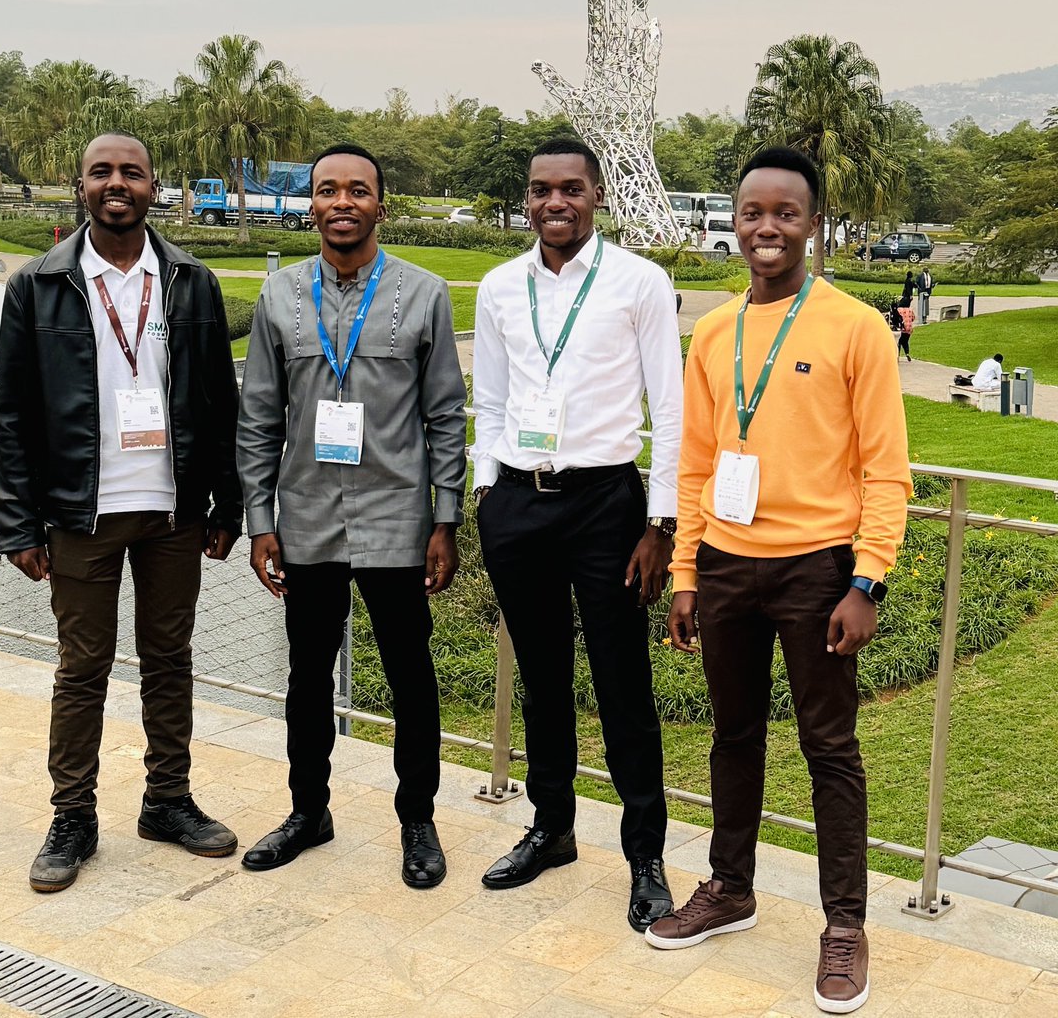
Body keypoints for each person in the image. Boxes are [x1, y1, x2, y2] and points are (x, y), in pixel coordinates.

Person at [650, 147, 910, 1016]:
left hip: (817, 569)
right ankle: (730, 888)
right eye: (751, 212)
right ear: (735, 222)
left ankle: (844, 925)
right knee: (733, 736)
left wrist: (866, 583)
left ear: (814, 225)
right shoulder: (717, 331)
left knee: (829, 748)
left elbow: (887, 471)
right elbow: (693, 464)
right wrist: (686, 571)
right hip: (726, 564)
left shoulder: (855, 326)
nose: (766, 228)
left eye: (785, 213)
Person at [0, 132, 243, 894]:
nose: (116, 183)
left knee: (170, 662)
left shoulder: (189, 280)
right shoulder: (37, 286)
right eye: (102, 172)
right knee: (82, 670)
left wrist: (226, 502)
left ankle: (167, 801)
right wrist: (16, 522)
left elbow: (217, 401)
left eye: (130, 172)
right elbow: (14, 413)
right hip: (80, 513)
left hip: (171, 509)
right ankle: (73, 817)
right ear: (80, 185)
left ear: (152, 186)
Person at [236, 143, 467, 890]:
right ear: (312, 205)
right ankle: (309, 812)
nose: (343, 202)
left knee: (409, 676)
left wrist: (446, 519)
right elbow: (260, 416)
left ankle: (417, 821)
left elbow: (444, 417)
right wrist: (259, 517)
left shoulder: (425, 293)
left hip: (397, 520)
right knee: (307, 675)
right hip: (306, 518)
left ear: (380, 204)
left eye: (358, 191)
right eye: (328, 190)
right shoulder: (280, 297)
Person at [471, 136, 683, 932]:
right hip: (519, 503)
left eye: (570, 189)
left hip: (607, 506)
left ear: (598, 195)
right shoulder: (499, 287)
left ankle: (646, 857)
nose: (553, 203)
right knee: (542, 675)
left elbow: (673, 408)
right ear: (525, 199)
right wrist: (489, 491)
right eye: (539, 191)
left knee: (623, 684)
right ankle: (551, 827)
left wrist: (661, 523)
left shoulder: (640, 283)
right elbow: (488, 399)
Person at [895, 295, 916, 362]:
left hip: (902, 328)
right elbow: (913, 318)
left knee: (899, 342)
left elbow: (896, 318)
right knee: (905, 342)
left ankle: (897, 355)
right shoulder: (910, 310)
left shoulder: (899, 310)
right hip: (909, 329)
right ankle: (907, 353)